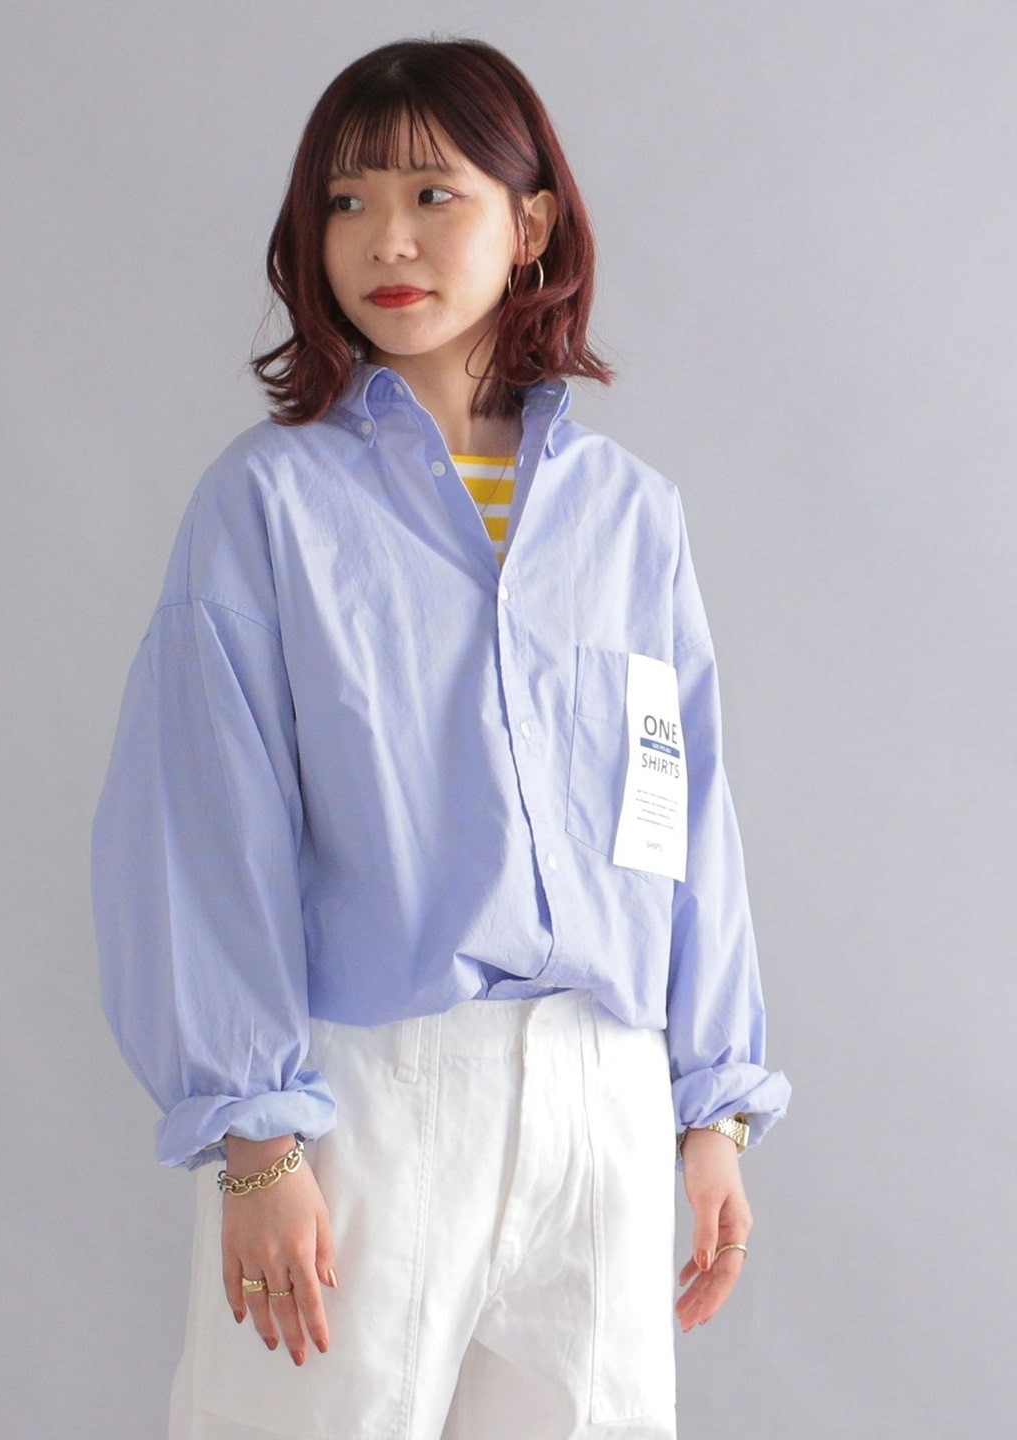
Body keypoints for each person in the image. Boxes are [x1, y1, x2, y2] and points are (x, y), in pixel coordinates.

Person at [92, 36, 790, 1440]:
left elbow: (680, 809)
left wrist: (708, 1108)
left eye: (432, 194)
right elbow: (204, 826)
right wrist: (258, 1136)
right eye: (345, 202)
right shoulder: (267, 505)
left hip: (603, 1092)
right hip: (372, 1096)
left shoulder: (630, 516)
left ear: (530, 225)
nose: (386, 240)